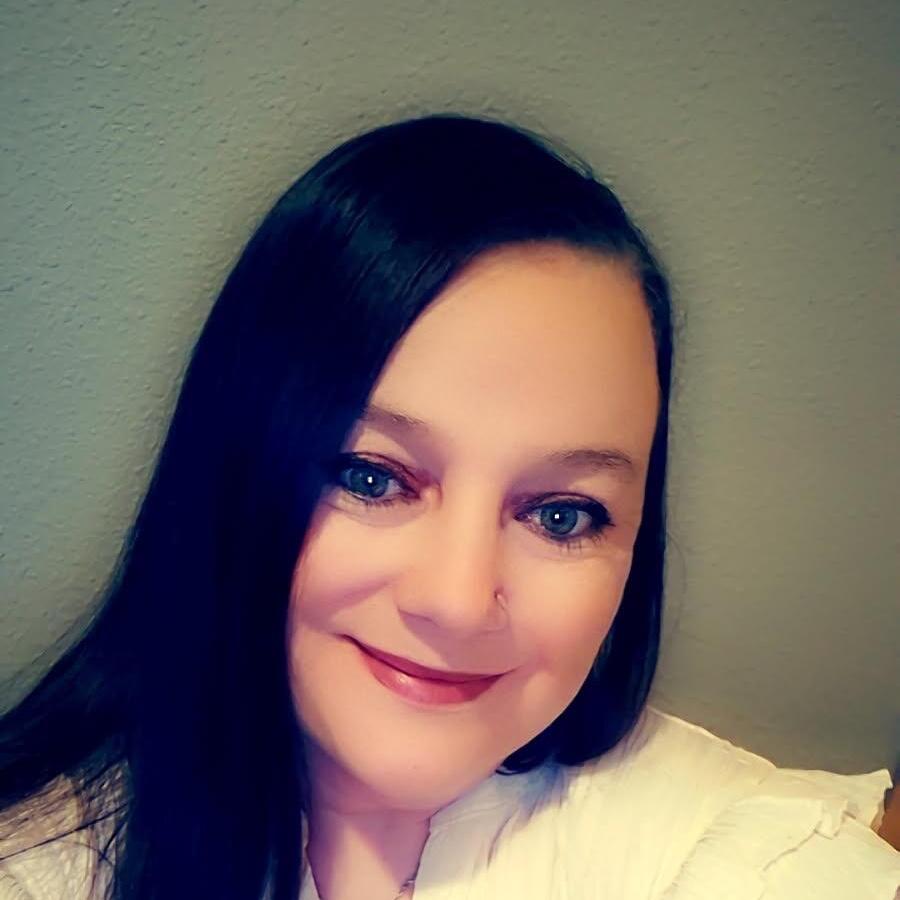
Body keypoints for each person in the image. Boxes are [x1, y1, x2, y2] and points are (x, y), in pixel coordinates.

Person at [0, 113, 896, 900]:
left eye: (561, 515)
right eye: (372, 477)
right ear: (237, 473)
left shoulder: (741, 852)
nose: (460, 602)